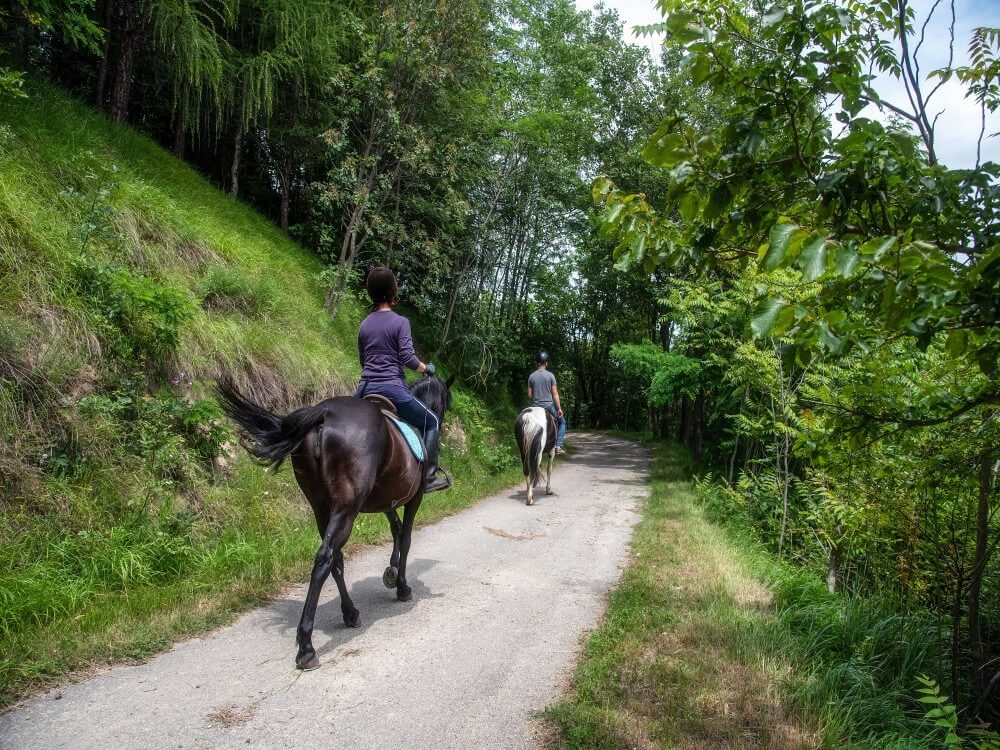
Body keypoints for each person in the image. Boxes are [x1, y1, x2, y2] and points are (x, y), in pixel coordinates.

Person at [354, 267, 450, 492]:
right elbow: (408, 357)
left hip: (364, 390)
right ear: (392, 292)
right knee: (432, 421)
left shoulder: (364, 324)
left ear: (372, 294)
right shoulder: (400, 322)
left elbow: (363, 360)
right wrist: (427, 368)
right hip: (393, 390)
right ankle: (428, 477)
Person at [527, 351, 566, 454]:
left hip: (535, 406)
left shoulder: (531, 376)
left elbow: (530, 395)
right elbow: (555, 394)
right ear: (546, 363)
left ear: (537, 363)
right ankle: (558, 446)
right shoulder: (551, 376)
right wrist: (559, 409)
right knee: (562, 423)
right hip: (548, 406)